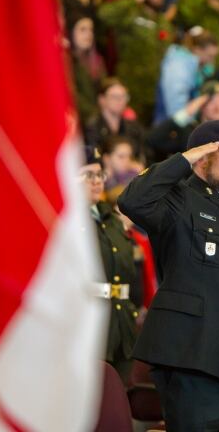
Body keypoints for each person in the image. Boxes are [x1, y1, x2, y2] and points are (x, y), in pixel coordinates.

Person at [118, 119, 219, 431]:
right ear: (202, 157)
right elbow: (132, 200)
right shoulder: (180, 199)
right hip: (191, 358)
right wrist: (184, 159)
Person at [81, 146, 138, 384]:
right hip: (88, 322)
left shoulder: (112, 220)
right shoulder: (70, 221)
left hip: (121, 321)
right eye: (88, 175)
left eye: (100, 175)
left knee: (118, 398)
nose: (97, 182)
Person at [98, 0, 173, 123]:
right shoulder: (130, 13)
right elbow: (103, 15)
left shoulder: (162, 21)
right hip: (130, 90)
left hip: (154, 94)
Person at [154, 27, 219, 123]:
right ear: (197, 50)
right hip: (170, 127)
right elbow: (175, 110)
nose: (212, 61)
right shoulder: (178, 67)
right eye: (210, 56)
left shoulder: (199, 68)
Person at [84, 78, 145, 161]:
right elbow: (94, 154)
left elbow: (142, 154)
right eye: (114, 96)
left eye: (124, 96)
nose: (120, 100)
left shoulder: (134, 127)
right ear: (102, 99)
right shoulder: (92, 127)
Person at [67, 15, 106, 123]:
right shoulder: (66, 61)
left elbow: (104, 89)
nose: (89, 34)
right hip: (77, 120)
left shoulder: (98, 61)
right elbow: (72, 95)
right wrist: (97, 114)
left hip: (99, 117)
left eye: (91, 30)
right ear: (70, 33)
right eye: (82, 29)